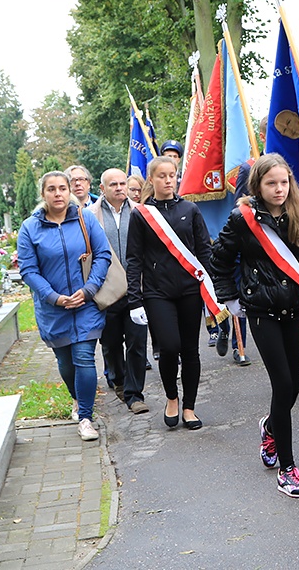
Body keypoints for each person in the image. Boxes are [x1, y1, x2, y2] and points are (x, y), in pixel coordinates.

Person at [210, 153, 299, 497]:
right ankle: (288, 469)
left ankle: (270, 428)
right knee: (282, 385)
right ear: (257, 186)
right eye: (270, 183)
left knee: (292, 387)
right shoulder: (242, 219)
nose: (279, 189)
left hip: (294, 309)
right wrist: (230, 297)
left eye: (283, 182)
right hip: (261, 311)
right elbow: (219, 259)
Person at [18, 170, 112, 441]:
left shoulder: (85, 219)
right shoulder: (30, 228)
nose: (58, 193)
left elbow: (103, 255)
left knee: (84, 357)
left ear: (70, 191)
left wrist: (89, 290)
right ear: (43, 194)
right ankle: (77, 398)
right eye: (51, 189)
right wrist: (53, 297)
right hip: (53, 308)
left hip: (86, 304)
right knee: (65, 362)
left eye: (62, 188)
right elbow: (28, 269)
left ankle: (85, 417)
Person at [127, 156, 216, 430]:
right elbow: (134, 259)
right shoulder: (141, 214)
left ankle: (189, 406)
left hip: (189, 289)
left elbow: (204, 251)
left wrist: (216, 288)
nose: (168, 180)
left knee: (190, 350)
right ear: (151, 180)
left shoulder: (190, 210)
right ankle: (171, 397)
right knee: (169, 346)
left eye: (172, 175)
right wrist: (135, 300)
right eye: (162, 176)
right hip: (157, 292)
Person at [92, 168, 149, 414]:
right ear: (102, 188)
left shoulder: (141, 212)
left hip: (137, 291)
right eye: (112, 184)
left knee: (137, 342)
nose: (119, 188)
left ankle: (135, 395)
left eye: (122, 183)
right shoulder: (90, 216)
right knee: (111, 342)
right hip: (108, 292)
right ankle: (117, 379)